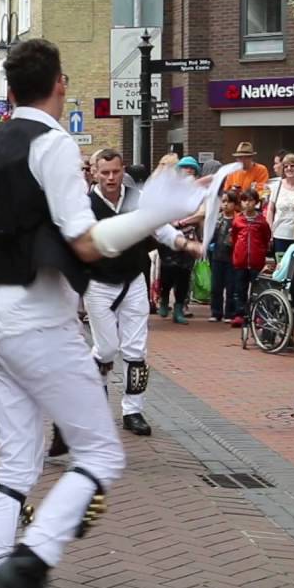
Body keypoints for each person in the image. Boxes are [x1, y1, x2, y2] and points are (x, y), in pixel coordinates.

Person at [0, 38, 205, 588]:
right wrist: (155, 214)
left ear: (8, 91)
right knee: (99, 453)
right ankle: (29, 564)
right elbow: (84, 240)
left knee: (17, 464)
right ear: (60, 84)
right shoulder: (55, 144)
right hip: (40, 319)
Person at [82, 149, 201, 438]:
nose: (111, 177)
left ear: (123, 170)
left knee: (136, 350)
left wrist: (185, 244)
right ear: (95, 173)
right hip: (98, 284)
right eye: (105, 172)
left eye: (115, 171)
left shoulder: (137, 200)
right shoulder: (83, 205)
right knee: (106, 348)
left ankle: (133, 410)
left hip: (133, 278)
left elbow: (159, 228)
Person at [156, 156, 204, 325]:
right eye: (185, 169)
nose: (189, 172)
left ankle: (178, 308)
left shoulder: (198, 192)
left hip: (189, 235)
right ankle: (163, 298)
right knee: (168, 270)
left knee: (184, 273)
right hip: (169, 235)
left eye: (192, 169)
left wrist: (185, 221)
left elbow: (202, 213)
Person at [230, 189, 272, 328]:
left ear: (256, 202)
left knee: (257, 289)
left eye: (250, 200)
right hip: (240, 261)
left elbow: (266, 238)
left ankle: (258, 315)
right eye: (244, 200)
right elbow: (235, 238)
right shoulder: (238, 220)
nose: (247, 203)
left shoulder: (262, 222)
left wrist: (261, 252)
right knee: (240, 289)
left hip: (256, 261)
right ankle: (240, 314)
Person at [267, 153, 294, 256]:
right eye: (286, 166)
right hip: (280, 235)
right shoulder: (277, 186)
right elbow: (270, 210)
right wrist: (270, 232)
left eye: (292, 166)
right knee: (282, 268)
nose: (289, 169)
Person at [207, 192, 239, 323]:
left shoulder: (237, 220)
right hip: (217, 256)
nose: (226, 204)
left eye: (229, 202)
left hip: (232, 258)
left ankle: (229, 313)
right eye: (223, 201)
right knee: (216, 286)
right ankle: (216, 312)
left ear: (235, 204)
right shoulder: (217, 219)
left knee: (231, 286)